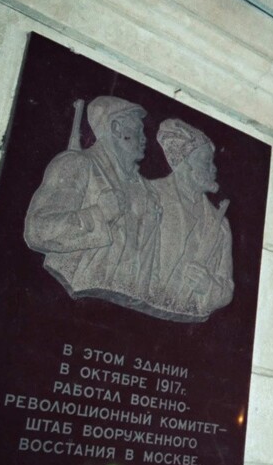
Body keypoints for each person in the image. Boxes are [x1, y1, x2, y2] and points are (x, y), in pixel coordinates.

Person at [24, 96, 161, 310]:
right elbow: (38, 230)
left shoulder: (142, 190)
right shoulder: (77, 164)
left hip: (123, 305)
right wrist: (98, 214)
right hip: (75, 297)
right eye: (138, 130)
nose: (144, 138)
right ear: (116, 128)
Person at [150, 118, 234, 321]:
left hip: (187, 317)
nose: (214, 169)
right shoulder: (150, 196)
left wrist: (208, 287)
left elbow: (227, 288)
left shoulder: (220, 224)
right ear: (184, 162)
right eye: (206, 161)